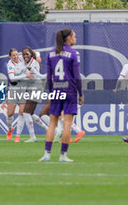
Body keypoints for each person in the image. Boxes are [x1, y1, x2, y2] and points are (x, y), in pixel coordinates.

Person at [39, 28, 84, 162]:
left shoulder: (50, 53)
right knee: (67, 124)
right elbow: (77, 76)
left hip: (56, 91)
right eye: (74, 36)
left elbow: (49, 76)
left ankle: (47, 154)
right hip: (69, 91)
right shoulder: (73, 53)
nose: (75, 39)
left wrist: (51, 92)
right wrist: (80, 94)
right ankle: (63, 155)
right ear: (68, 38)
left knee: (52, 123)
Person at [21, 46, 48, 143]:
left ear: (31, 55)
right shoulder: (26, 62)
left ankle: (33, 137)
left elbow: (32, 78)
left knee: (26, 113)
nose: (24, 56)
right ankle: (48, 130)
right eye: (23, 54)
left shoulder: (34, 63)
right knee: (31, 114)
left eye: (26, 54)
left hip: (36, 88)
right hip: (32, 89)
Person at [6, 48, 33, 141]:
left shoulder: (22, 58)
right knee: (10, 113)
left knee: (21, 112)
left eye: (17, 54)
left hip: (23, 89)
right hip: (14, 89)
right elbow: (12, 78)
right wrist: (25, 76)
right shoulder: (10, 64)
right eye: (13, 55)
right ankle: (10, 129)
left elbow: (34, 54)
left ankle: (18, 136)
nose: (16, 56)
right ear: (10, 56)